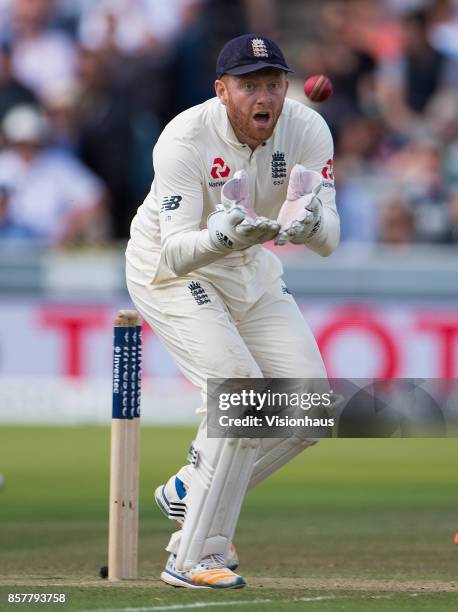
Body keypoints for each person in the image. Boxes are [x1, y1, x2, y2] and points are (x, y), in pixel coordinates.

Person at [126, 34, 340, 589]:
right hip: (174, 271)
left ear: (286, 87)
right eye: (248, 85)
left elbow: (330, 239)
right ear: (222, 91)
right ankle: (193, 557)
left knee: (310, 409)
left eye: (272, 83)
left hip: (249, 266)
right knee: (241, 394)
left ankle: (187, 493)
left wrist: (311, 223)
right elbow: (175, 249)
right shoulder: (184, 138)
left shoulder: (308, 129)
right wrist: (219, 236)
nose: (262, 95)